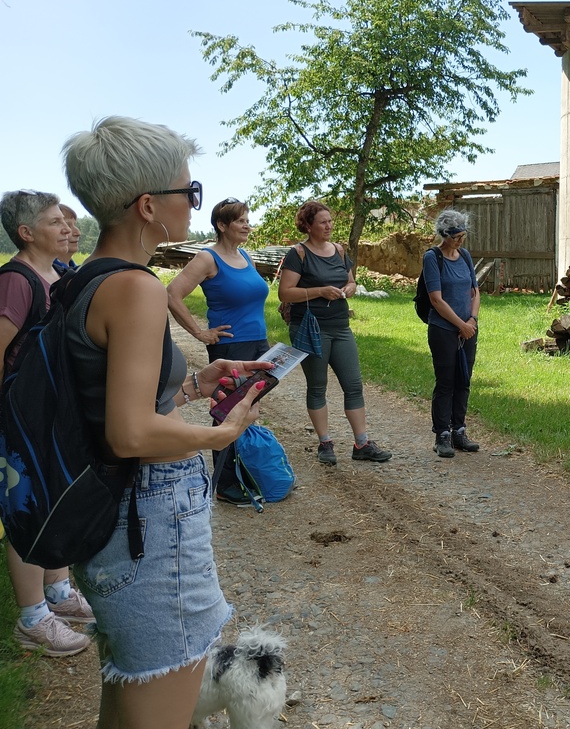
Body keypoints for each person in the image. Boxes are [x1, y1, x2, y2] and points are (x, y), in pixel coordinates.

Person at [62, 115, 272, 728]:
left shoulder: (85, 280)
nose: (195, 204)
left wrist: (192, 384)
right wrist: (222, 433)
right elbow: (131, 434)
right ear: (150, 206)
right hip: (148, 523)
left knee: (128, 701)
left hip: (108, 515)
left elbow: (108, 404)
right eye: (192, 191)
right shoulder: (138, 289)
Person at [0, 189, 93, 657]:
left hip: (51, 412)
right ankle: (33, 617)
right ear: (26, 232)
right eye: (55, 222)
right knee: (26, 509)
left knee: (54, 498)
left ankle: (57, 592)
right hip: (20, 417)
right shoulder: (16, 281)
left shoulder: (57, 272)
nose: (67, 228)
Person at [166, 198, 270, 505]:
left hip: (257, 343)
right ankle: (225, 484)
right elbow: (172, 294)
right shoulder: (207, 258)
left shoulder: (246, 256)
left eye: (248, 219)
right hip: (230, 345)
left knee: (249, 410)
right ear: (222, 226)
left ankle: (242, 472)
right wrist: (200, 332)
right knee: (229, 410)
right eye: (240, 220)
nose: (247, 224)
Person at [277, 200, 391, 465]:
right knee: (317, 386)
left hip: (340, 326)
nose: (329, 226)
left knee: (353, 384)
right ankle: (325, 443)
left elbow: (350, 280)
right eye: (323, 222)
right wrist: (319, 290)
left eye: (330, 221)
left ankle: (361, 444)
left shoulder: (339, 251)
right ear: (308, 225)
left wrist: (351, 287)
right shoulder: (298, 254)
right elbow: (285, 293)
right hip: (310, 328)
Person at [422, 210, 480, 458]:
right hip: (444, 329)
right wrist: (460, 325)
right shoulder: (432, 258)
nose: (460, 241)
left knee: (463, 380)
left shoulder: (465, 256)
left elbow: (475, 292)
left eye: (462, 236)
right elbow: (436, 299)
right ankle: (442, 435)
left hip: (468, 329)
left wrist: (472, 320)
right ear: (444, 235)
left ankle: (459, 431)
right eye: (456, 237)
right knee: (446, 381)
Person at [54, 203, 81, 274]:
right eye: (67, 225)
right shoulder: (44, 275)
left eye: (75, 224)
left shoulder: (78, 270)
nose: (78, 233)